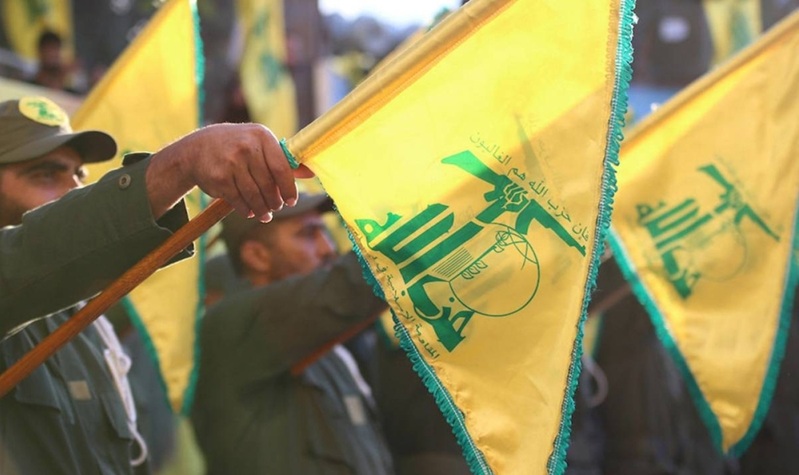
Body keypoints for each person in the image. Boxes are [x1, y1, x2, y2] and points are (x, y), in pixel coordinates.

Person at [0, 95, 307, 474]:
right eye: (45, 175)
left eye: (79, 174)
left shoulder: (92, 328)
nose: (74, 190)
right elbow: (25, 257)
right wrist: (182, 163)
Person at [190, 192, 395, 474]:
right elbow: (347, 287)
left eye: (325, 232)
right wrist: (416, 234)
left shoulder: (326, 348)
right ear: (257, 256)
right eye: (308, 234)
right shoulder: (230, 325)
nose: (328, 249)